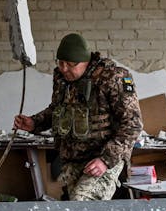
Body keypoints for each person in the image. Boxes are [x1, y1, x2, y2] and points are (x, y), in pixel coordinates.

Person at [14, 33, 143, 200]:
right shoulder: (62, 78)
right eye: (61, 63)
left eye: (70, 64)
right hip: (73, 160)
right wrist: (34, 123)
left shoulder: (113, 77)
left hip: (102, 157)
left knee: (81, 205)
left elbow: (133, 125)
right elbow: (58, 110)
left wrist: (105, 160)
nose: (64, 68)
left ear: (86, 62)